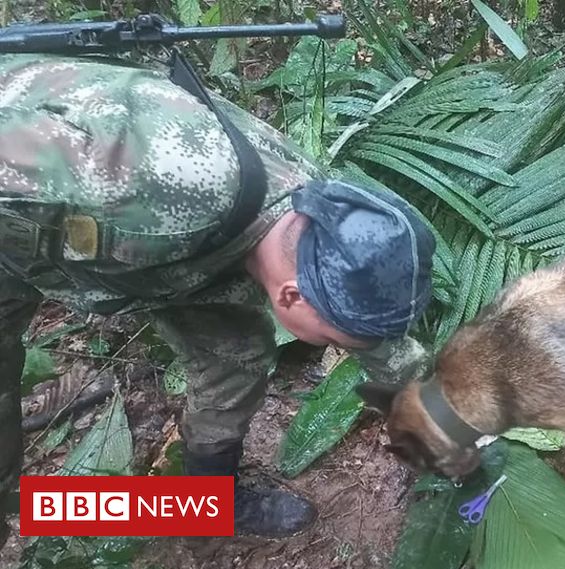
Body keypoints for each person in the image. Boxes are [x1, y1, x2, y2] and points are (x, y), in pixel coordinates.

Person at [0, 52, 436, 542]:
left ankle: (203, 509)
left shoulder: (319, 220)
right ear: (291, 296)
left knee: (235, 356)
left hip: (156, 255)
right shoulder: (150, 189)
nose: (351, 347)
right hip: (22, 221)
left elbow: (369, 330)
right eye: (339, 341)